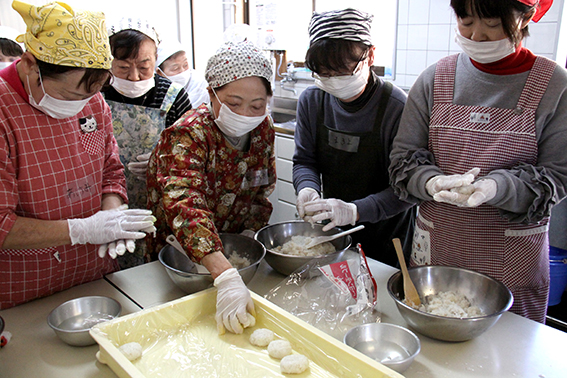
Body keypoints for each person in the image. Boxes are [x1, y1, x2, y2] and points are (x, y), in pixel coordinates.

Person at [389, 0, 565, 323]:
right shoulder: (434, 79)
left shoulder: (554, 86)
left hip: (511, 266)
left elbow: (557, 177)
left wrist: (496, 187)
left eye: (493, 23)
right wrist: (431, 181)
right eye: (466, 21)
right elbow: (403, 161)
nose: (478, 35)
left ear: (525, 16)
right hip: (436, 263)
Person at [0, 1, 156, 310]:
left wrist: (111, 214)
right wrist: (82, 230)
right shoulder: (4, 112)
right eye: (71, 96)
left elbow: (110, 170)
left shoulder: (93, 102)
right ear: (31, 64)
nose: (81, 105)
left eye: (91, 93)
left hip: (94, 275)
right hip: (25, 290)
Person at [147, 41, 275, 334]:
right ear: (211, 94)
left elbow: (260, 187)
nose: (245, 113)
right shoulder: (188, 134)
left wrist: (248, 234)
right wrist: (225, 275)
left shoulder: (263, 129)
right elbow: (184, 200)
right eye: (233, 103)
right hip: (181, 254)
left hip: (230, 254)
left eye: (257, 105)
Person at [293, 8, 416, 267]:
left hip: (388, 236)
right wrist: (307, 188)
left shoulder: (397, 107)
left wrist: (355, 210)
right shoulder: (312, 100)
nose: (332, 81)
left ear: (370, 55)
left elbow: (407, 190)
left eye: (341, 71)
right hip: (335, 232)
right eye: (324, 73)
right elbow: (305, 160)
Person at [104, 19, 192, 267]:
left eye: (144, 66)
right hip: (107, 205)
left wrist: (162, 161)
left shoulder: (172, 96)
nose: (134, 77)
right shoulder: (96, 93)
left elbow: (192, 152)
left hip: (161, 206)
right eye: (122, 67)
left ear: (156, 59)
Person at [156, 39, 209, 108]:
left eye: (185, 65)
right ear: (160, 72)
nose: (182, 71)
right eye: (175, 68)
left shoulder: (199, 84)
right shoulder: (157, 91)